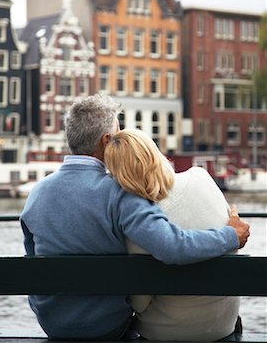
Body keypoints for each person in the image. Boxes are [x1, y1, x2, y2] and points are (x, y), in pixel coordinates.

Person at [20, 94, 250, 341]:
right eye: (118, 132)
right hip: (105, 326)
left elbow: (33, 259)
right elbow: (172, 247)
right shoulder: (120, 193)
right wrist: (230, 235)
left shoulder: (37, 193)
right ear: (107, 140)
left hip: (52, 323)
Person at [104, 128, 243, 342]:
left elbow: (139, 303)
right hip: (224, 324)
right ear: (154, 152)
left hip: (168, 332)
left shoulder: (142, 227)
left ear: (119, 176)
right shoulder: (201, 176)